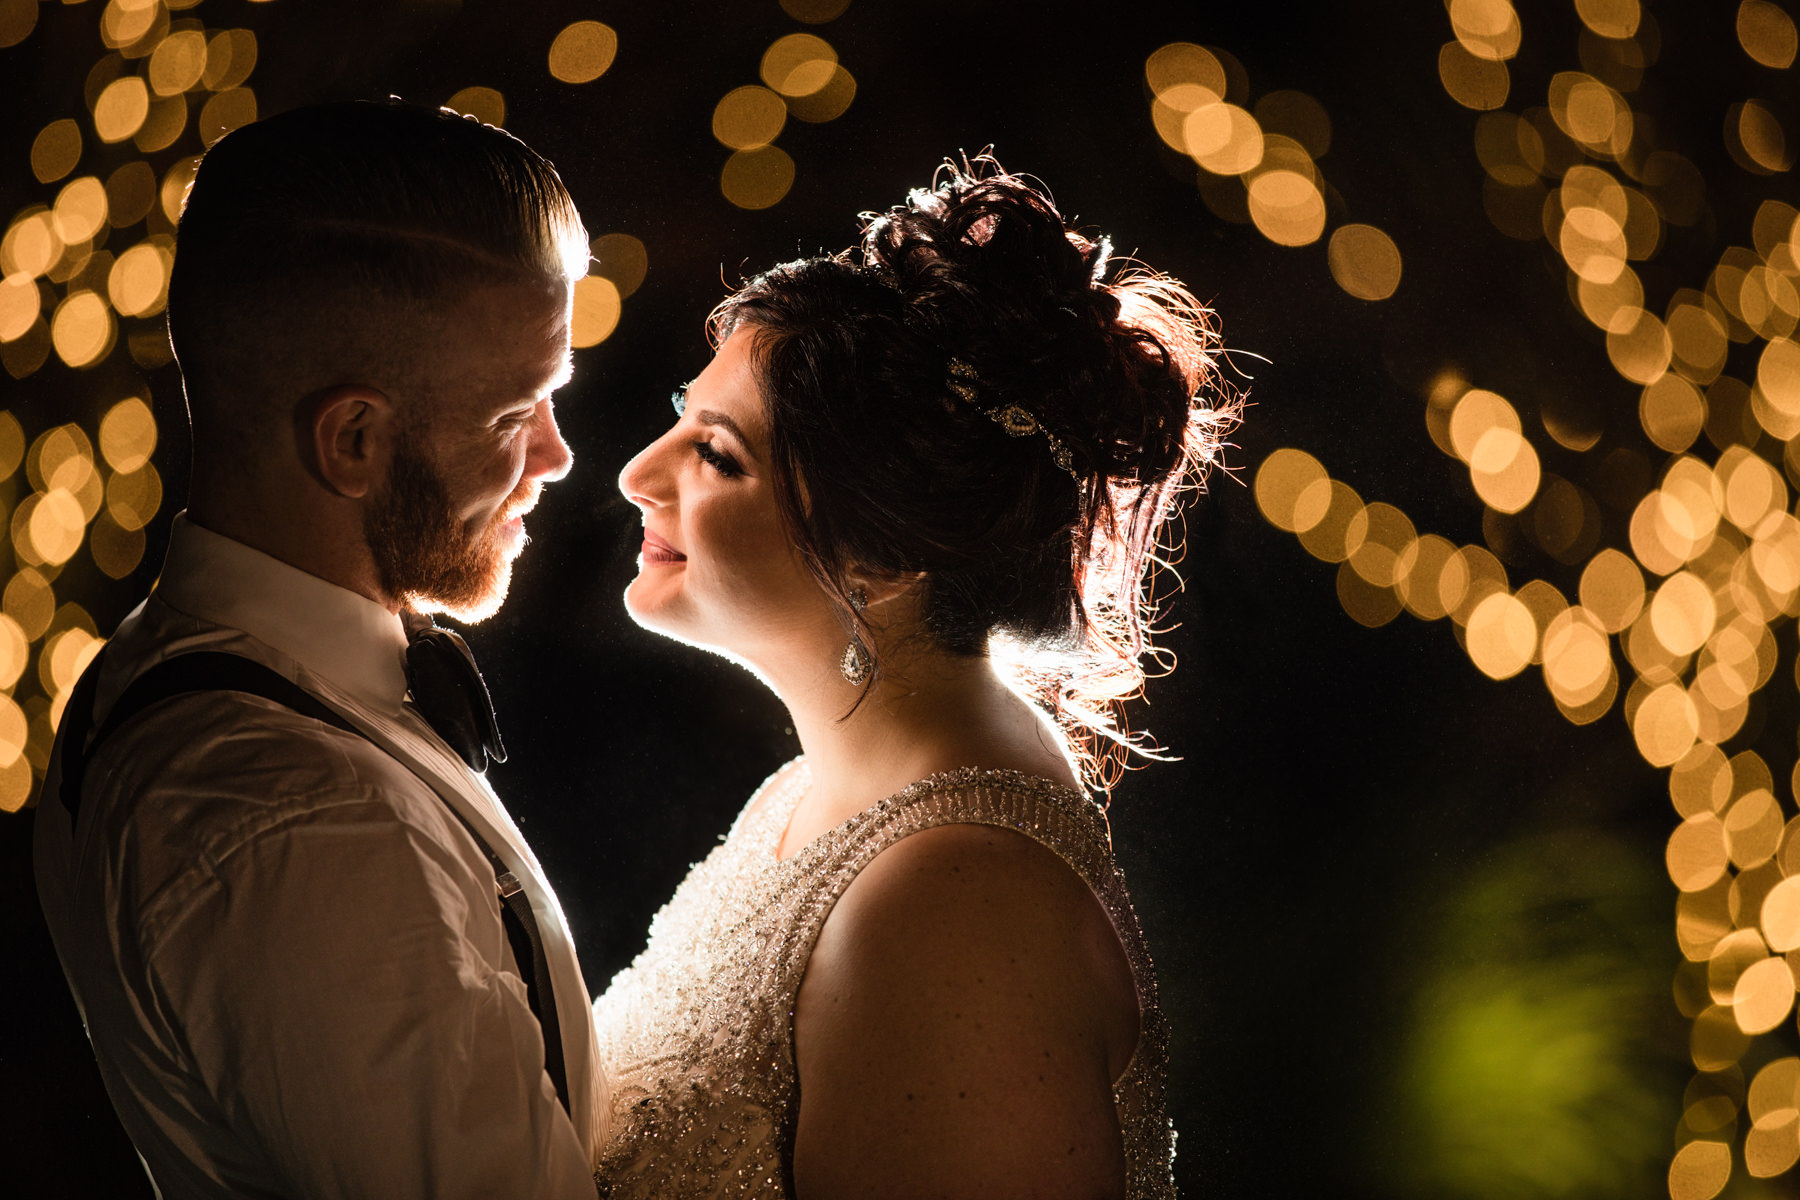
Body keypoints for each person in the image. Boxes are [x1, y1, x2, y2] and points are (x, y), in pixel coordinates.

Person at [595, 160, 1235, 1199]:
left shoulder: (953, 905)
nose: (637, 473)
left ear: (881, 562)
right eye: (681, 412)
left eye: (717, 456)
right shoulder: (839, 785)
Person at [34, 101, 606, 1198]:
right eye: (516, 413)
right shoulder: (299, 823)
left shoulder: (166, 669)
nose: (558, 456)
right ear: (353, 441)